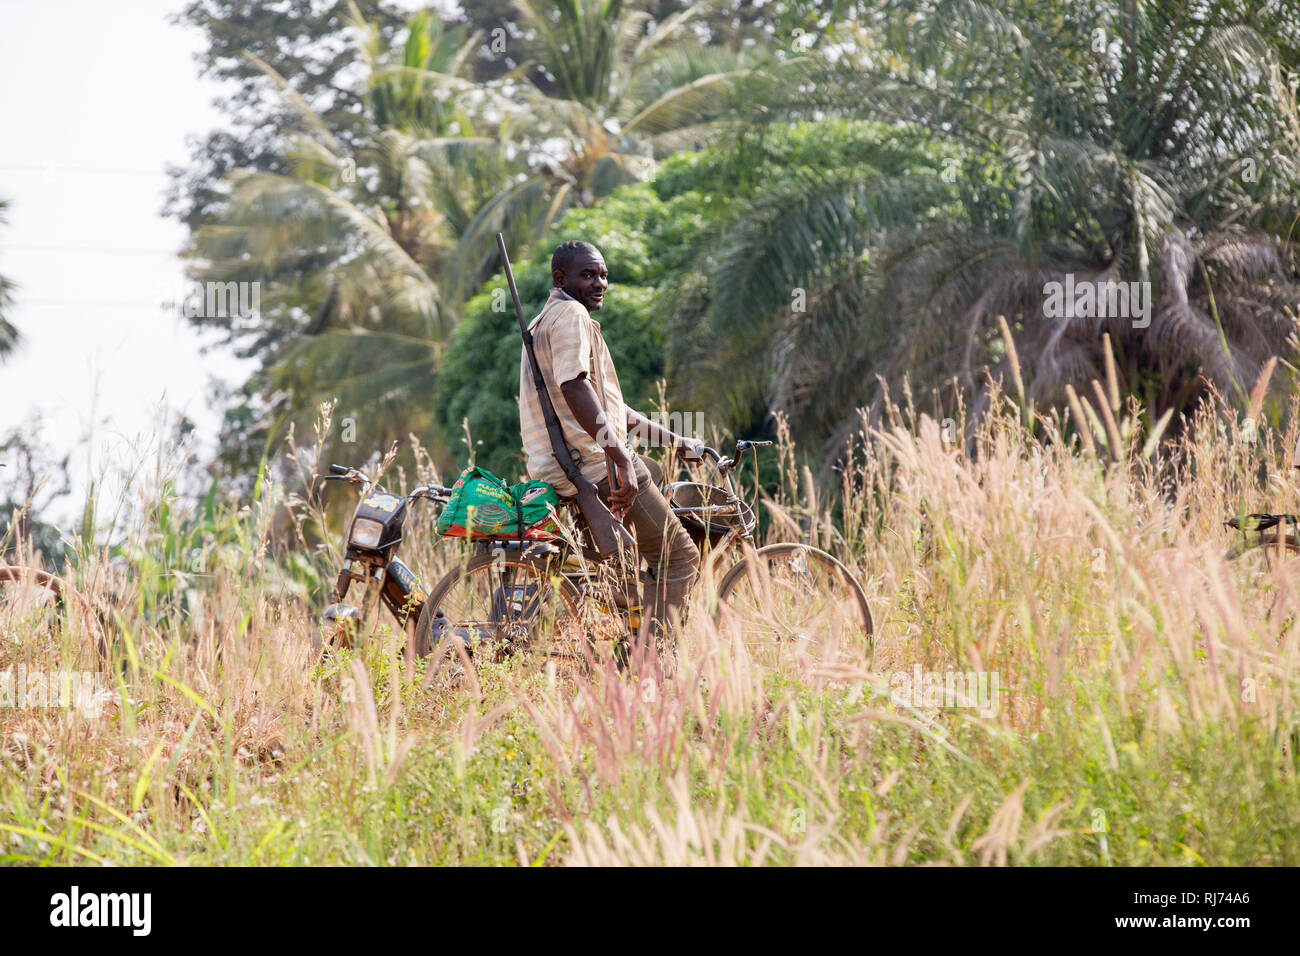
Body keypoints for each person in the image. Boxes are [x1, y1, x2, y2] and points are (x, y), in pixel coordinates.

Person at [519, 239, 702, 652]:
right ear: (560, 279)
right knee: (679, 558)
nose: (600, 282)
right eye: (588, 274)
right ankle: (650, 663)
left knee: (649, 477)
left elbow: (611, 409)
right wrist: (618, 454)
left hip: (563, 465)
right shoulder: (570, 315)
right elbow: (574, 386)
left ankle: (627, 612)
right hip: (592, 466)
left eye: (603, 274)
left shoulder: (545, 320)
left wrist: (674, 440)